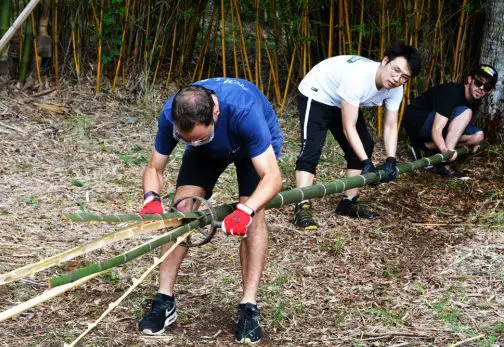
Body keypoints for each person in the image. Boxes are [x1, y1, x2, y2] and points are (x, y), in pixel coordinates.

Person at [137, 77, 283, 345]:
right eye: (186, 139)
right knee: (181, 210)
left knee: (254, 215)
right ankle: (164, 298)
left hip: (251, 149)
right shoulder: (173, 115)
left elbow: (273, 177)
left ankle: (248, 305)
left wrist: (245, 210)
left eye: (199, 137)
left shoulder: (243, 111)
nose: (193, 143)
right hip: (209, 150)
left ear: (215, 113)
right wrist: (151, 197)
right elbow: (154, 167)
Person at [292, 43, 422, 229]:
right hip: (318, 92)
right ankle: (301, 206)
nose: (397, 78)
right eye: (395, 70)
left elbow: (391, 125)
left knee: (364, 145)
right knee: (312, 148)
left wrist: (391, 159)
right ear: (385, 60)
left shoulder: (396, 88)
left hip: (343, 99)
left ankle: (348, 202)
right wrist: (366, 163)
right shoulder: (359, 77)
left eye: (404, 77)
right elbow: (348, 127)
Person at [403, 64, 497, 180]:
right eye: (478, 82)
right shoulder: (452, 92)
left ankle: (424, 147)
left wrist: (471, 142)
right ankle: (444, 164)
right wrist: (446, 151)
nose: (481, 88)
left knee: (477, 136)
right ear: (469, 79)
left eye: (487, 87)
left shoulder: (476, 100)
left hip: (437, 125)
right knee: (466, 112)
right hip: (418, 121)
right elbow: (436, 130)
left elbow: (457, 128)